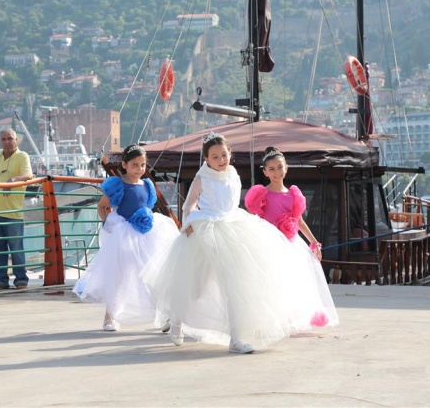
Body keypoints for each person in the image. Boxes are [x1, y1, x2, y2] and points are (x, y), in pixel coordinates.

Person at [142, 132, 303, 354]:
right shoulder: (202, 178)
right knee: (195, 286)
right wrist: (188, 224)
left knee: (236, 285)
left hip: (233, 228)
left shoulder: (233, 174)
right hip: (205, 230)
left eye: (224, 155)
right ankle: (177, 320)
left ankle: (236, 339)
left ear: (230, 154)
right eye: (215, 157)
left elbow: (231, 205)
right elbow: (188, 206)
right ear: (206, 159)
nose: (221, 160)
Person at [73, 144, 179, 331]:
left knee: (152, 273)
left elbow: (146, 206)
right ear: (124, 165)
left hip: (146, 234)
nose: (139, 169)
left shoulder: (147, 185)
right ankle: (109, 317)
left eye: (142, 165)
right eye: (134, 165)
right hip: (124, 233)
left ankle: (162, 315)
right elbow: (102, 206)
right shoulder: (118, 185)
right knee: (119, 275)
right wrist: (108, 223)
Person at [244, 146, 339, 330]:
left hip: (291, 244)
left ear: (286, 168)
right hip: (269, 244)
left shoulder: (293, 195)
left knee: (293, 282)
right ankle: (271, 319)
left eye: (280, 167)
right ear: (265, 172)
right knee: (270, 281)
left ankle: (292, 318)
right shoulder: (261, 194)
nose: (277, 172)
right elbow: (253, 219)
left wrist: (314, 242)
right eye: (271, 169)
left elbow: (299, 221)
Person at [0, 128, 33, 290]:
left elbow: (28, 175)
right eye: (4, 139)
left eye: (10, 138)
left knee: (16, 247)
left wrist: (12, 180)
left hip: (13, 211)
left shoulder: (22, 156)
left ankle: (21, 280)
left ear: (16, 140)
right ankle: (0, 281)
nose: (7, 142)